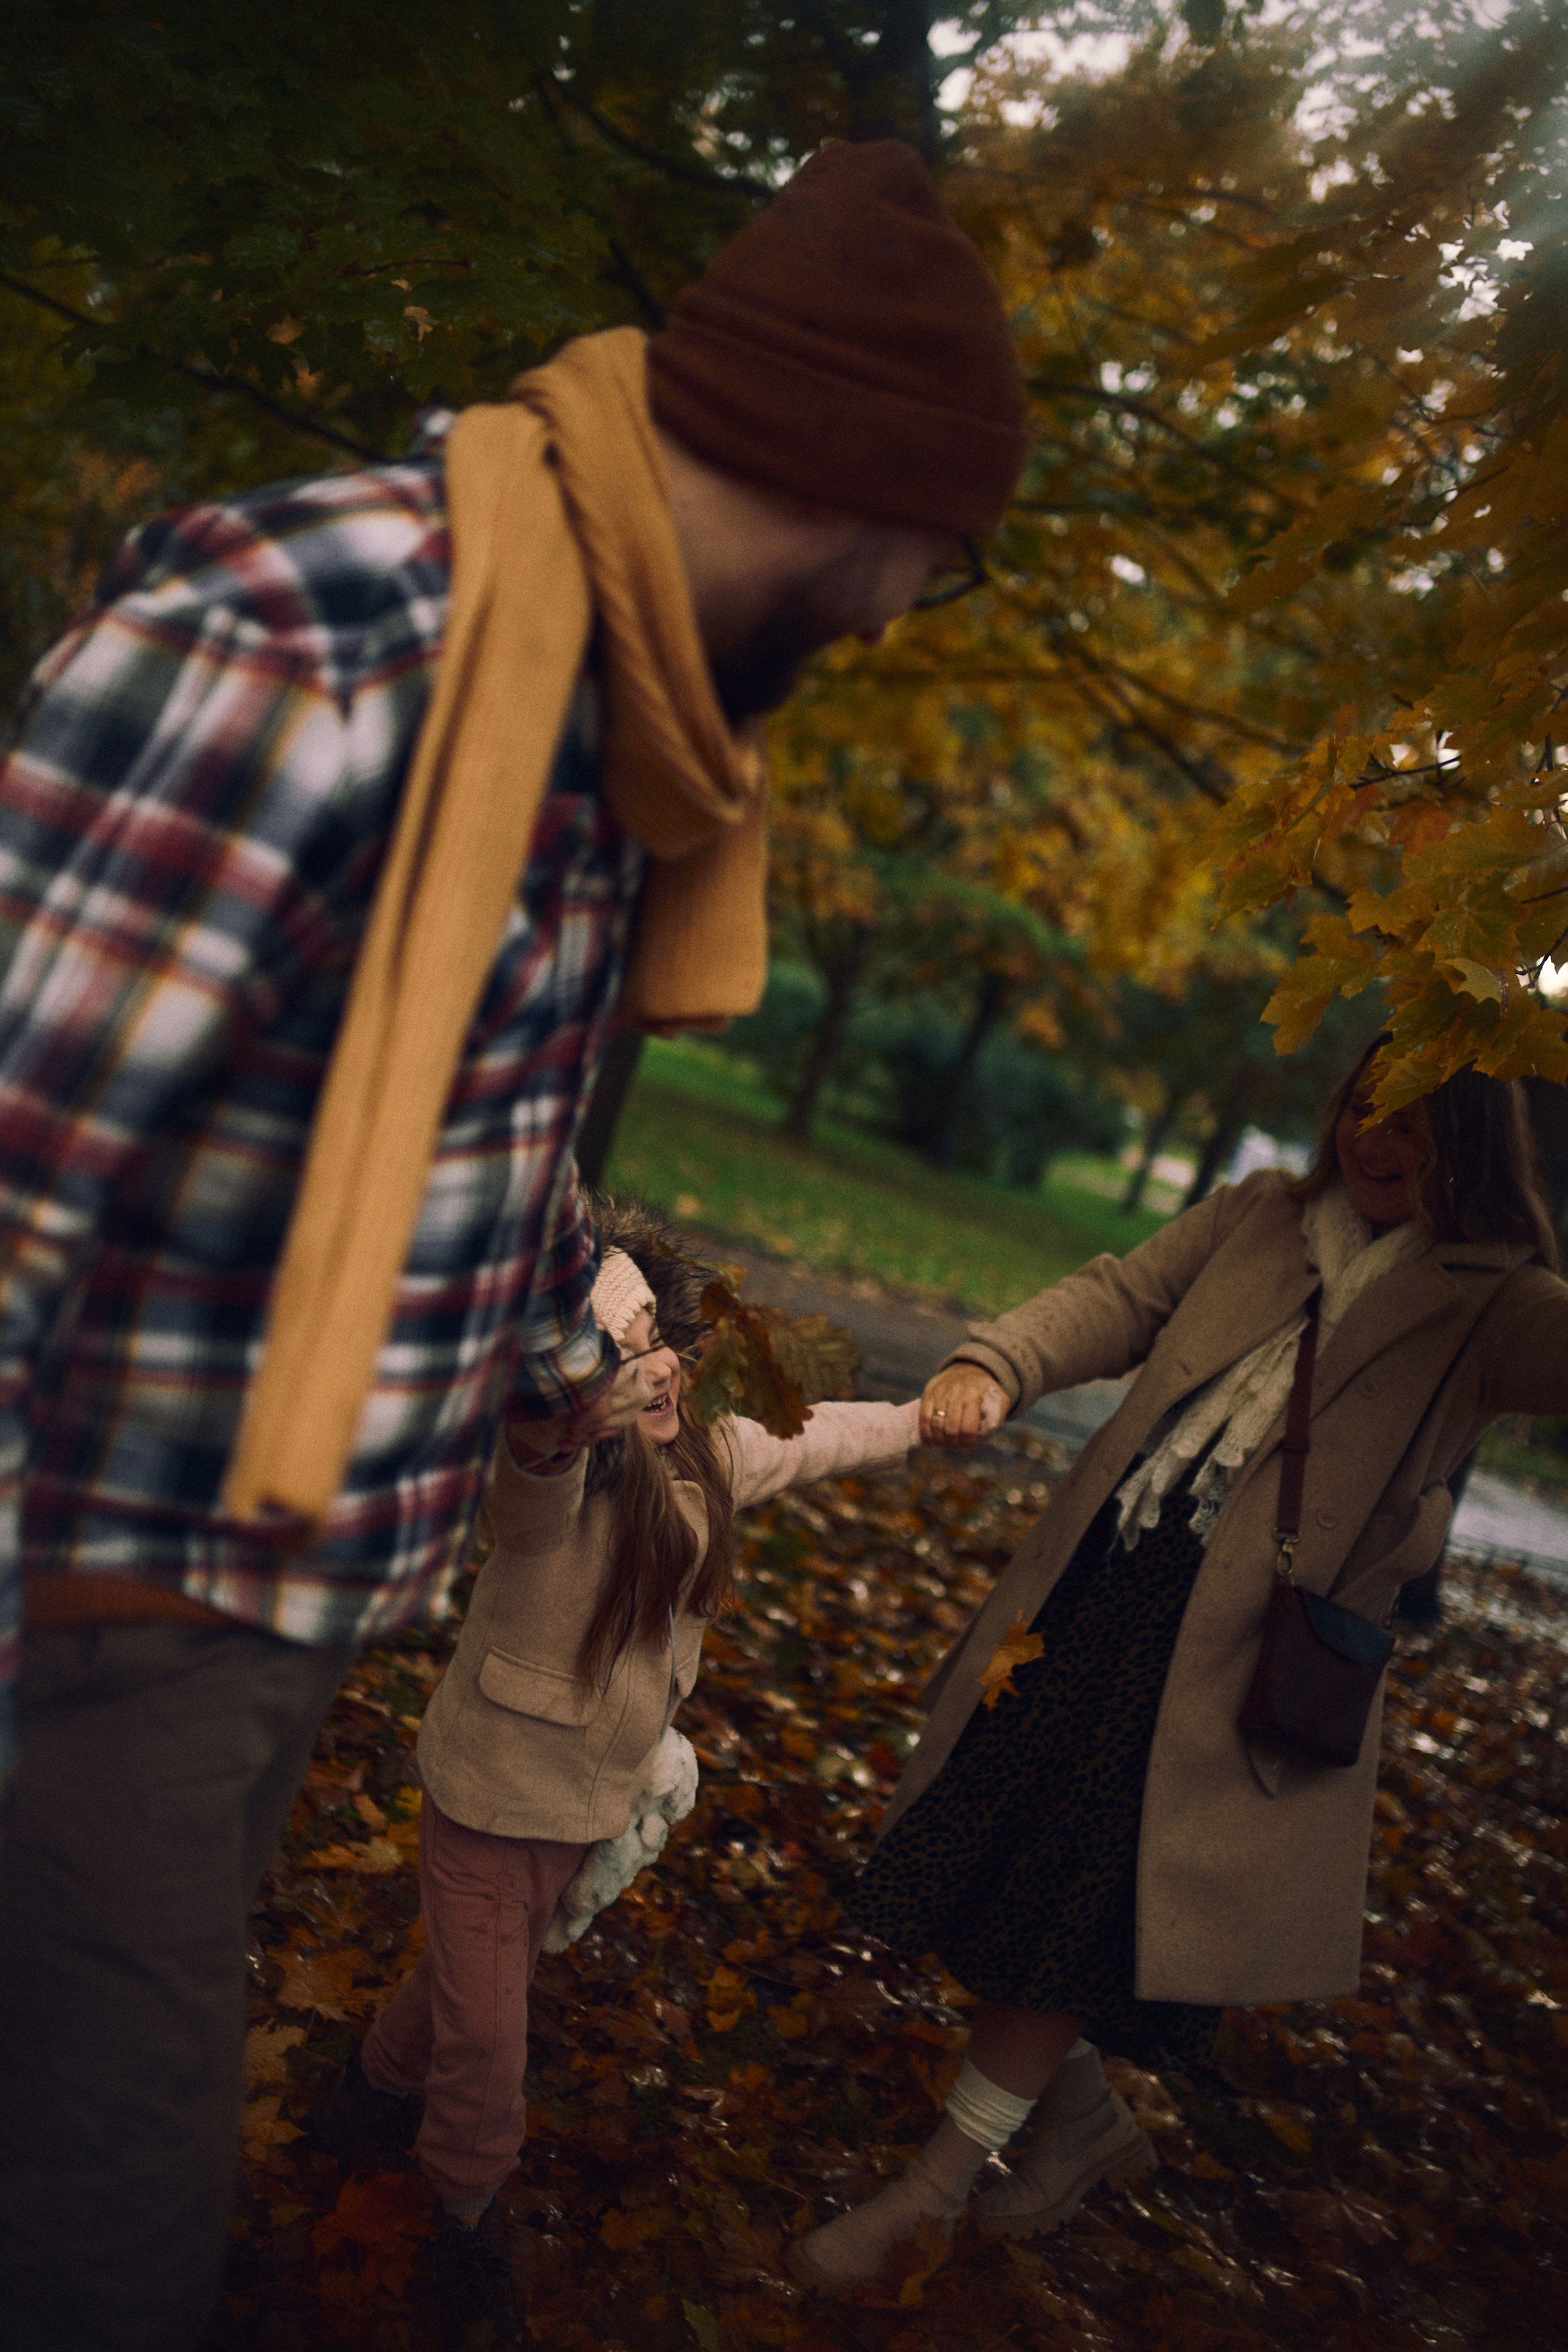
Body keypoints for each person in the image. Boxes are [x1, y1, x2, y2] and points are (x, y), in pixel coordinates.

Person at [0, 141, 1027, 2350]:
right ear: (860, 500)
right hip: (107, 1594)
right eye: (920, 578)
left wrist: (580, 1352)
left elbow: (493, 1128)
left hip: (281, 1597)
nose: (876, 630)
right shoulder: (329, 631)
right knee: (96, 2221)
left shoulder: (586, 724)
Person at [788, 1047, 1567, 2294]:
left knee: (1068, 1898)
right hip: (1098, 1590)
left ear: (1470, 1140)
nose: (1376, 1137)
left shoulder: (1495, 1301)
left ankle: (933, 2191)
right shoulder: (1257, 1217)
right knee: (994, 1863)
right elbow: (1113, 1296)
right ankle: (1078, 2115)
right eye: (1362, 1106)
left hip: (1233, 1662)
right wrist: (994, 1363)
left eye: (1415, 1124)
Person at [311, 1202, 931, 2344]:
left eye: (665, 1359)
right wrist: (563, 1410)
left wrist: (919, 1421)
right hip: (493, 1797)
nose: (653, 1383)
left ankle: (369, 2090)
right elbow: (536, 1451)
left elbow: (819, 1436)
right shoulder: (550, 1485)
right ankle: (466, 2216)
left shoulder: (711, 1456)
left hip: (590, 1802)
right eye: (621, 1362)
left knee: (470, 1984)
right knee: (493, 2039)